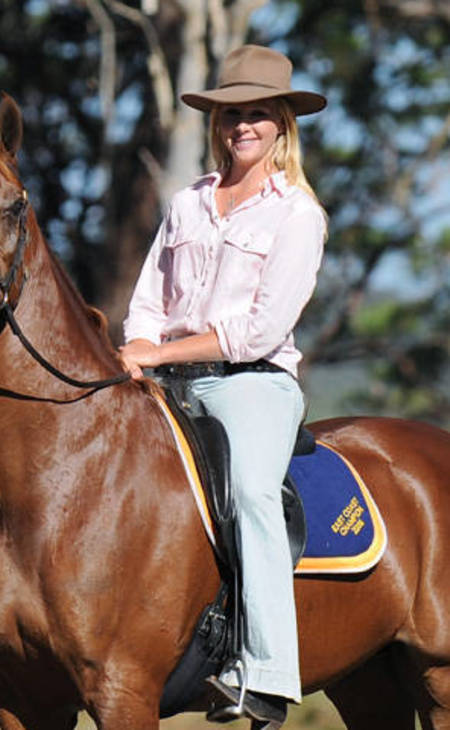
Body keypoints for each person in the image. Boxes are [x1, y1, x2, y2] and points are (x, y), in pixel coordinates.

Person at [119, 44, 327, 725]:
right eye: (232, 114)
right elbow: (149, 299)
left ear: (281, 124)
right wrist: (137, 349)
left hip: (250, 385)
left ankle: (265, 672)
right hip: (165, 379)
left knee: (251, 495)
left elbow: (260, 332)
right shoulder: (188, 203)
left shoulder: (297, 214)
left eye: (258, 114)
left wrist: (161, 351)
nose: (243, 126)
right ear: (218, 123)